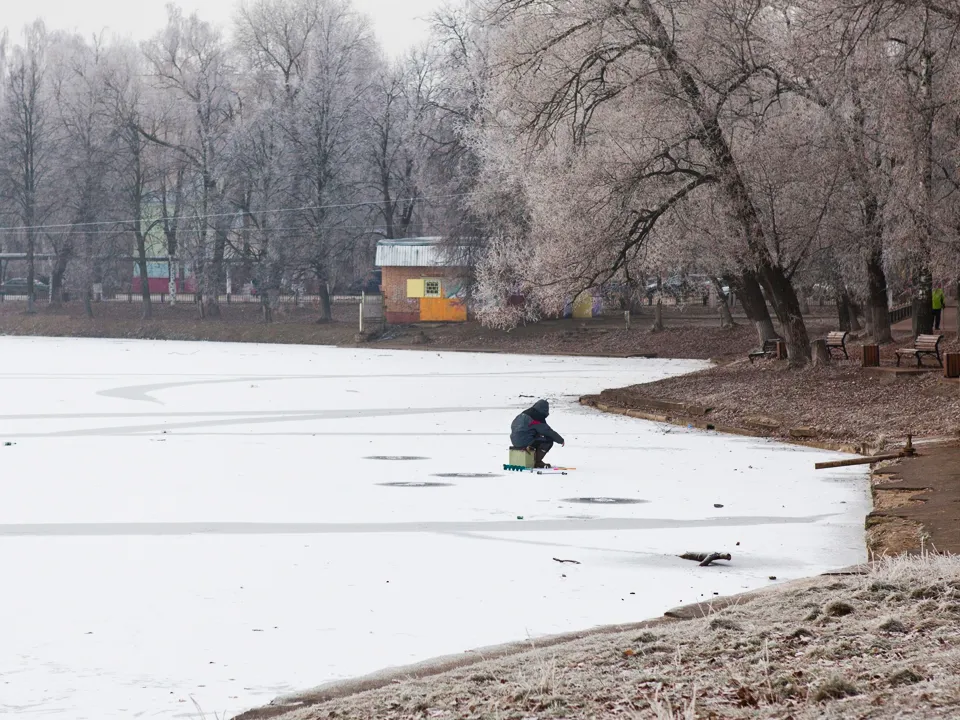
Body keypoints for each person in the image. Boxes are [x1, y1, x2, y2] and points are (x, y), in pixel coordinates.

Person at [510, 399, 565, 468]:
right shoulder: (536, 417)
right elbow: (547, 431)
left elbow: (515, 425)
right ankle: (536, 461)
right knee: (548, 440)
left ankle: (531, 454)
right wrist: (560, 440)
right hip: (525, 441)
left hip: (514, 440)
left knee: (538, 437)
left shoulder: (523, 414)